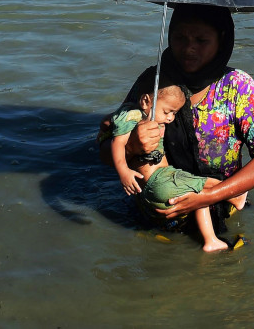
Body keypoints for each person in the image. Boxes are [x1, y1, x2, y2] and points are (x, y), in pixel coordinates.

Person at [99, 4, 254, 229]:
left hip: (216, 204)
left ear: (221, 40)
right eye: (180, 38)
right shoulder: (154, 83)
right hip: (153, 207)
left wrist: (208, 197)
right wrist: (131, 146)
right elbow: (106, 151)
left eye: (201, 40)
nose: (189, 48)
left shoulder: (238, 88)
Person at [101, 78, 241, 252]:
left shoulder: (138, 113)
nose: (171, 118)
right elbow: (115, 142)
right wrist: (126, 164)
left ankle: (210, 240)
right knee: (204, 183)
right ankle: (235, 195)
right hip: (161, 180)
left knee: (201, 196)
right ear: (145, 101)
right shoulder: (136, 114)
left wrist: (112, 122)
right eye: (168, 112)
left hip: (154, 189)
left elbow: (108, 123)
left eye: (174, 113)